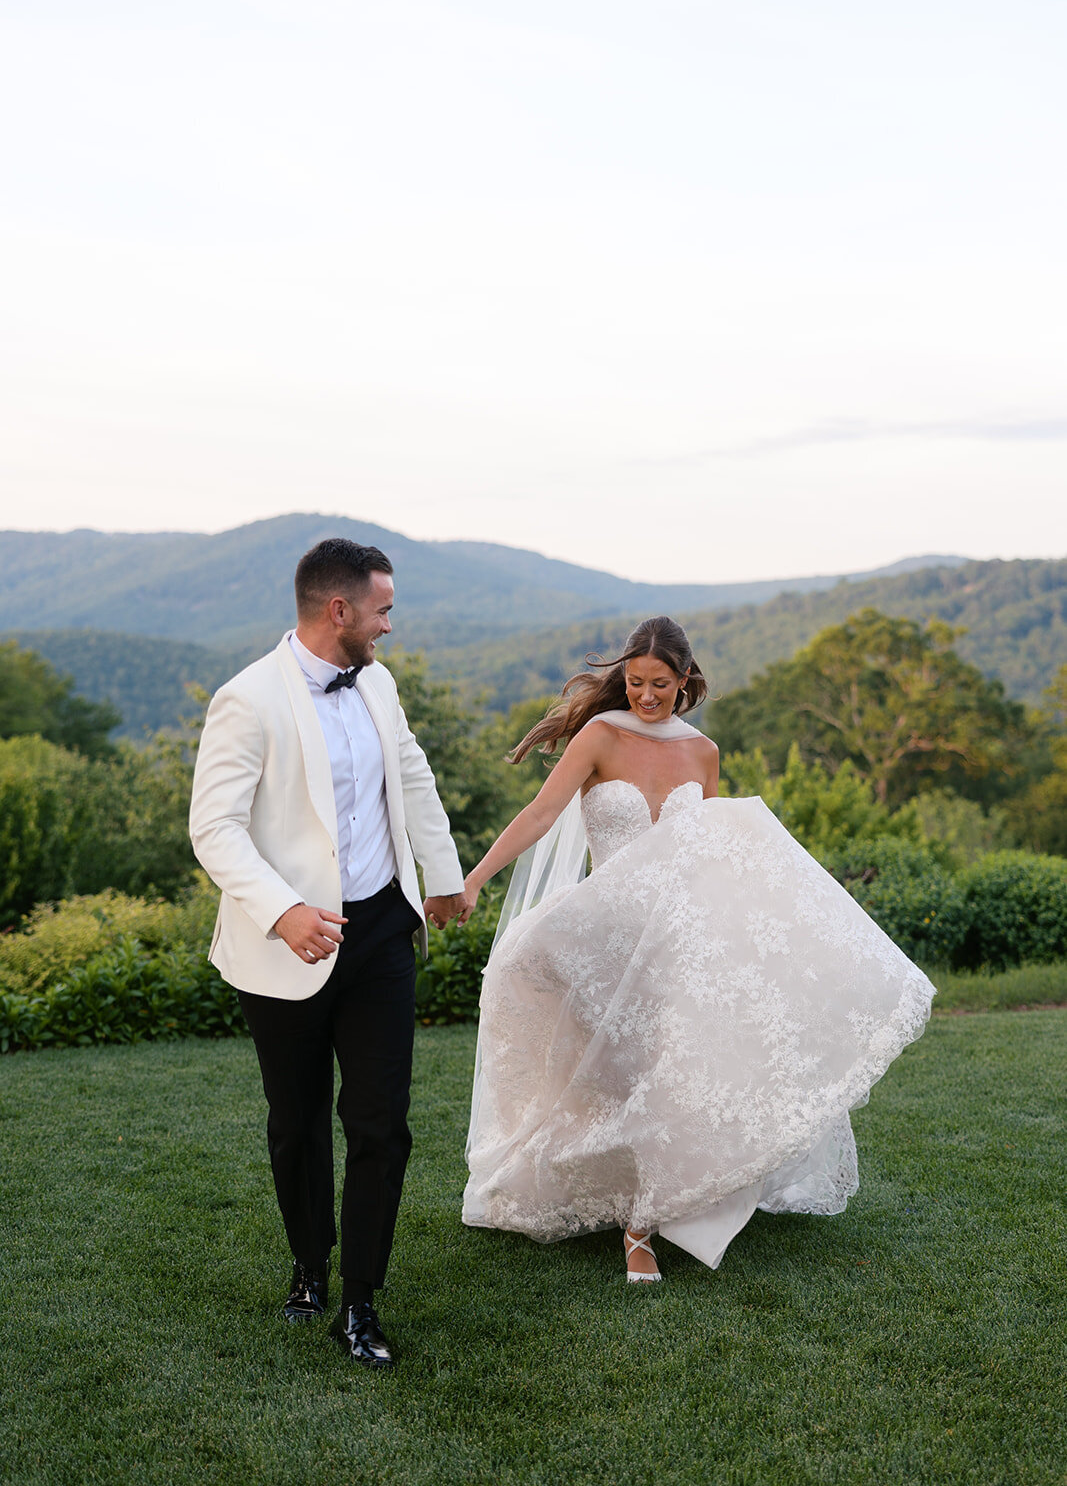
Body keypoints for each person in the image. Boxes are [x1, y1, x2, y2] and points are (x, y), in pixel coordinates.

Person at [459, 616, 934, 1284]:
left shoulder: (701, 753)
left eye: (657, 684)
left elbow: (709, 855)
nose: (644, 696)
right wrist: (474, 880)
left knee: (668, 1074)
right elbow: (540, 814)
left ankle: (640, 1228)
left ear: (684, 680)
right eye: (632, 683)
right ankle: (590, 1182)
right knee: (592, 1060)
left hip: (677, 939)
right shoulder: (600, 735)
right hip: (606, 933)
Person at [189, 537, 467, 1368]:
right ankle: (308, 1268)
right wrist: (283, 914)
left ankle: (360, 1302)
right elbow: (215, 829)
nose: (391, 625)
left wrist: (443, 875)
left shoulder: (377, 682)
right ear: (337, 610)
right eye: (383, 609)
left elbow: (410, 776)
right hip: (290, 945)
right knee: (298, 1121)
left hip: (381, 929)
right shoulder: (246, 700)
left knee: (381, 1125)